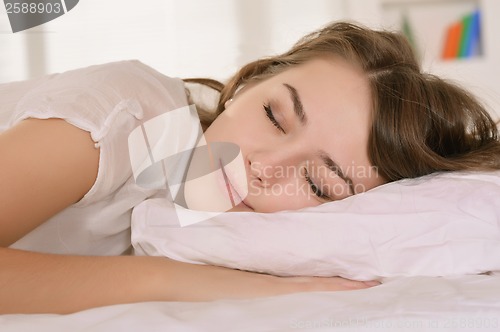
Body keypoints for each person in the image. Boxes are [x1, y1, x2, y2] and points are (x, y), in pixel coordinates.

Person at [1, 21, 499, 314]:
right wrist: (161, 279)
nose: (263, 165)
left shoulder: (211, 230)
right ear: (245, 85)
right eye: (273, 116)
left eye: (318, 183)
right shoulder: (126, 114)